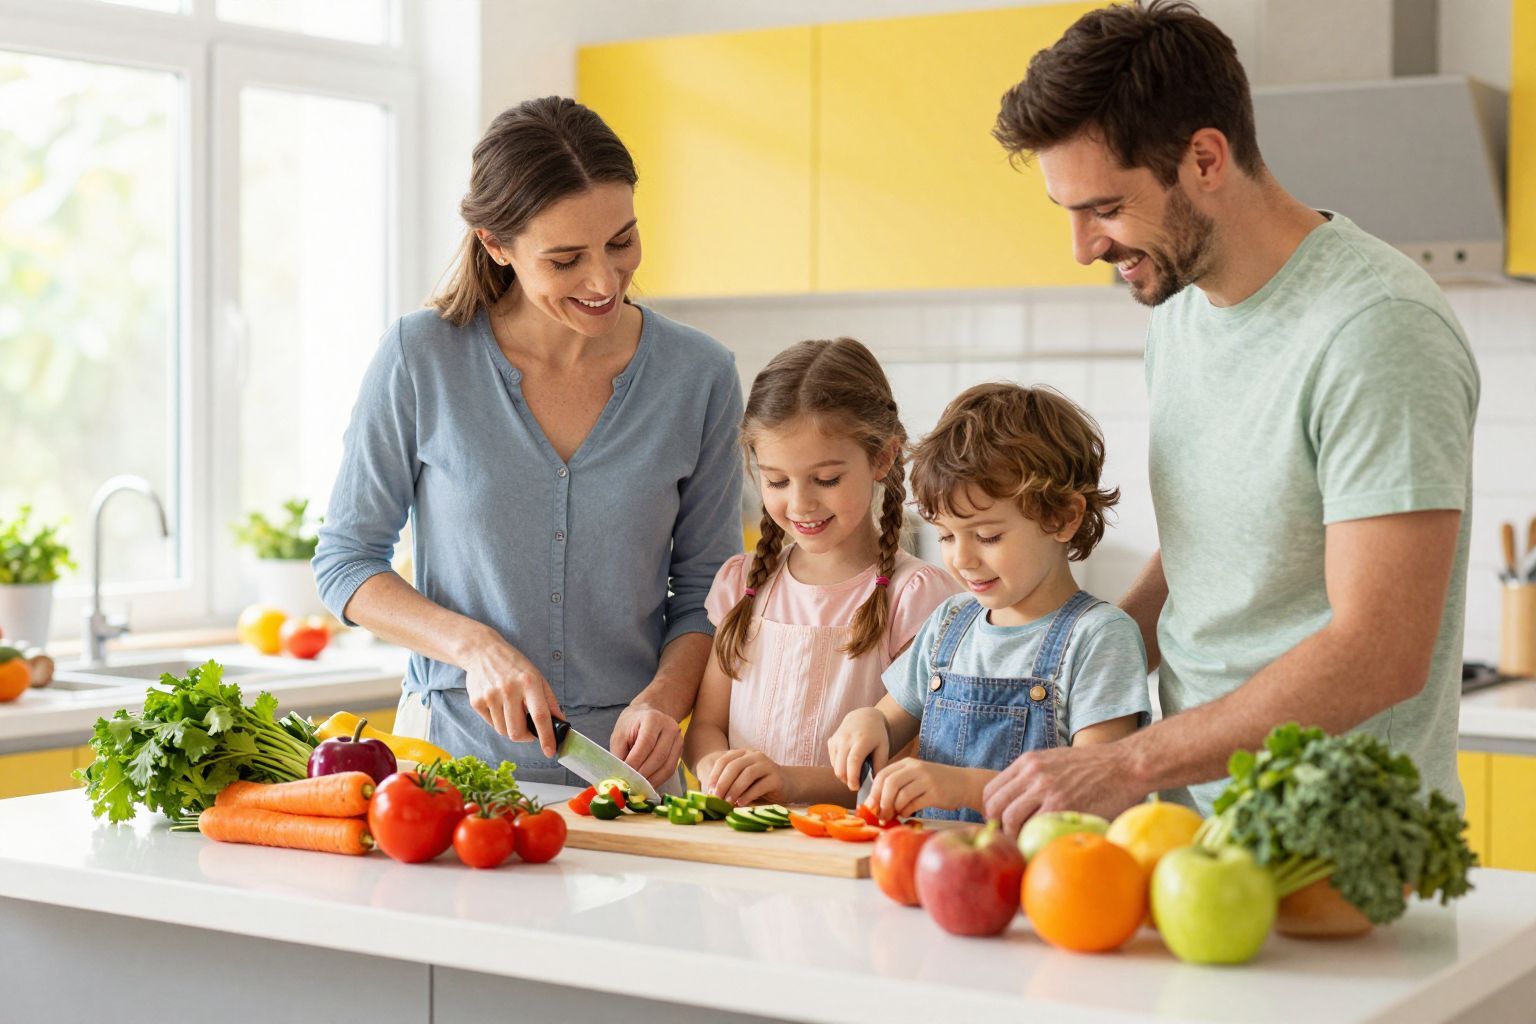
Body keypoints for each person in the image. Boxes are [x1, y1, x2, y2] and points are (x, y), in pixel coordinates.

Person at [982, 0, 1479, 832]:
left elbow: (1379, 655)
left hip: (1339, 850)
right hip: (1189, 831)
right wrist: (1054, 674)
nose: (1083, 247)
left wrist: (1128, 761)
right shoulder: (1180, 313)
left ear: (1205, 159)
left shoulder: (1376, 328)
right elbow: (1208, 551)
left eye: (1104, 208)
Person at [313, 97, 744, 787]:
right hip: (446, 776)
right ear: (496, 246)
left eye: (622, 241)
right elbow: (345, 562)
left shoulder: (700, 376)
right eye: (567, 258)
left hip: (625, 780)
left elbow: (707, 591)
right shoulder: (421, 357)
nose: (604, 280)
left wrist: (666, 700)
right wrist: (472, 645)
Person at [828, 383, 1150, 822]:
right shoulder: (949, 623)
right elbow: (886, 720)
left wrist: (965, 788)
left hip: (1039, 883)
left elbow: (1096, 796)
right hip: (934, 875)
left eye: (987, 536)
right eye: (945, 536)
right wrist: (867, 723)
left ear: (1062, 517)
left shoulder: (1099, 638)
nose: (962, 558)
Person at [682, 338, 958, 807]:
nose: (800, 503)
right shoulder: (742, 583)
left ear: (883, 458)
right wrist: (717, 769)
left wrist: (790, 783)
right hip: (745, 845)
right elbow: (705, 727)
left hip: (850, 851)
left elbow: (908, 761)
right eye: (776, 480)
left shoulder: (916, 597)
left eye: (826, 480)